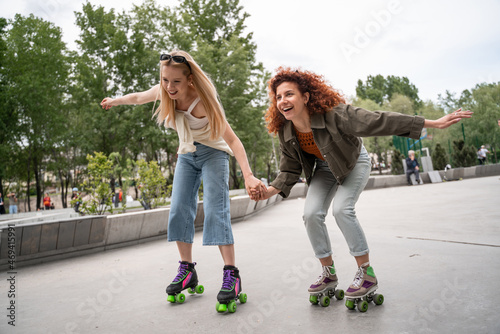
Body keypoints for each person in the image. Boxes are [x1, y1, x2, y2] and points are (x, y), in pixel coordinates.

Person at [257, 67, 472, 304]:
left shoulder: (335, 115)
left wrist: (432, 124)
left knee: (342, 210)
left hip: (353, 163)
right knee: (310, 214)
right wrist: (267, 191)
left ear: (305, 97)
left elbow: (379, 121)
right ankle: (328, 273)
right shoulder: (286, 130)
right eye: (278, 97)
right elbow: (289, 170)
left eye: (289, 94)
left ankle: (366, 273)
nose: (282, 101)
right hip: (325, 169)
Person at [101, 50, 265, 309]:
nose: (169, 87)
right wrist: (115, 101)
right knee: (178, 209)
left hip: (214, 153)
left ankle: (231, 274)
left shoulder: (203, 102)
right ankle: (187, 269)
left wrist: (248, 175)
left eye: (175, 81)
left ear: (189, 79)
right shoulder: (164, 91)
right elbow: (137, 97)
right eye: (165, 80)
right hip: (187, 154)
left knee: (214, 210)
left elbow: (232, 140)